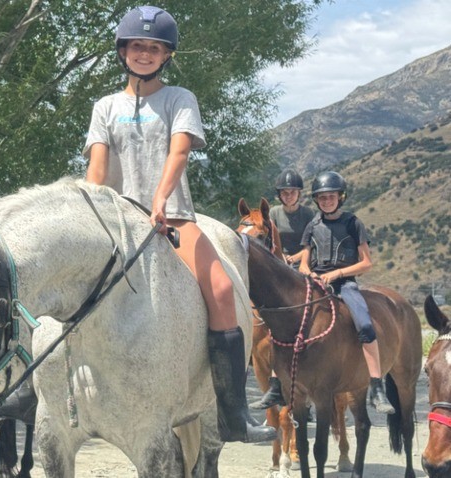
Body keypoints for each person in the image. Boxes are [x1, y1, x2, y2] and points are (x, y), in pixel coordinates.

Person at [83, 5, 275, 443]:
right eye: (137, 46)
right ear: (123, 51)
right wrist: (90, 210)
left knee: (222, 289)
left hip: (171, 216)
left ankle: (232, 413)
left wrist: (160, 199)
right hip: (116, 221)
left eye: (154, 48)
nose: (144, 53)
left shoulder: (179, 98)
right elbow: (97, 169)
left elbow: (180, 151)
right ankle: (35, 387)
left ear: (166, 55)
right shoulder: (105, 107)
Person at [298, 171, 394, 414]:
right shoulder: (312, 226)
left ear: (341, 197)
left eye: (331, 196)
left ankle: (377, 387)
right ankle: (279, 384)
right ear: (316, 200)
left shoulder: (353, 223)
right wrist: (311, 274)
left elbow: (366, 263)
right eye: (322, 197)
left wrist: (338, 274)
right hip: (316, 283)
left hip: (345, 283)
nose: (327, 201)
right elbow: (303, 265)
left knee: (365, 325)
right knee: (287, 323)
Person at [250, 169, 315, 409]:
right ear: (280, 195)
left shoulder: (309, 214)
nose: (288, 196)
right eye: (285, 193)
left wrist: (293, 258)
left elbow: (310, 244)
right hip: (276, 265)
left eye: (292, 192)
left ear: (299, 194)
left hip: (302, 265)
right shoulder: (273, 214)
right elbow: (269, 240)